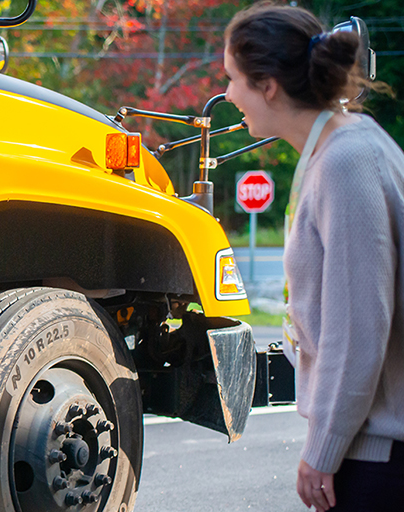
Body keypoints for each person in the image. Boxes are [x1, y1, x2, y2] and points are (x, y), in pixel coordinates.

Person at [224, 4, 404, 512]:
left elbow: (360, 328)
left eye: (233, 79)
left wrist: (322, 451)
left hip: (378, 460)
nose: (229, 94)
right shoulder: (346, 144)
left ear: (268, 86)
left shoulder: (345, 162)